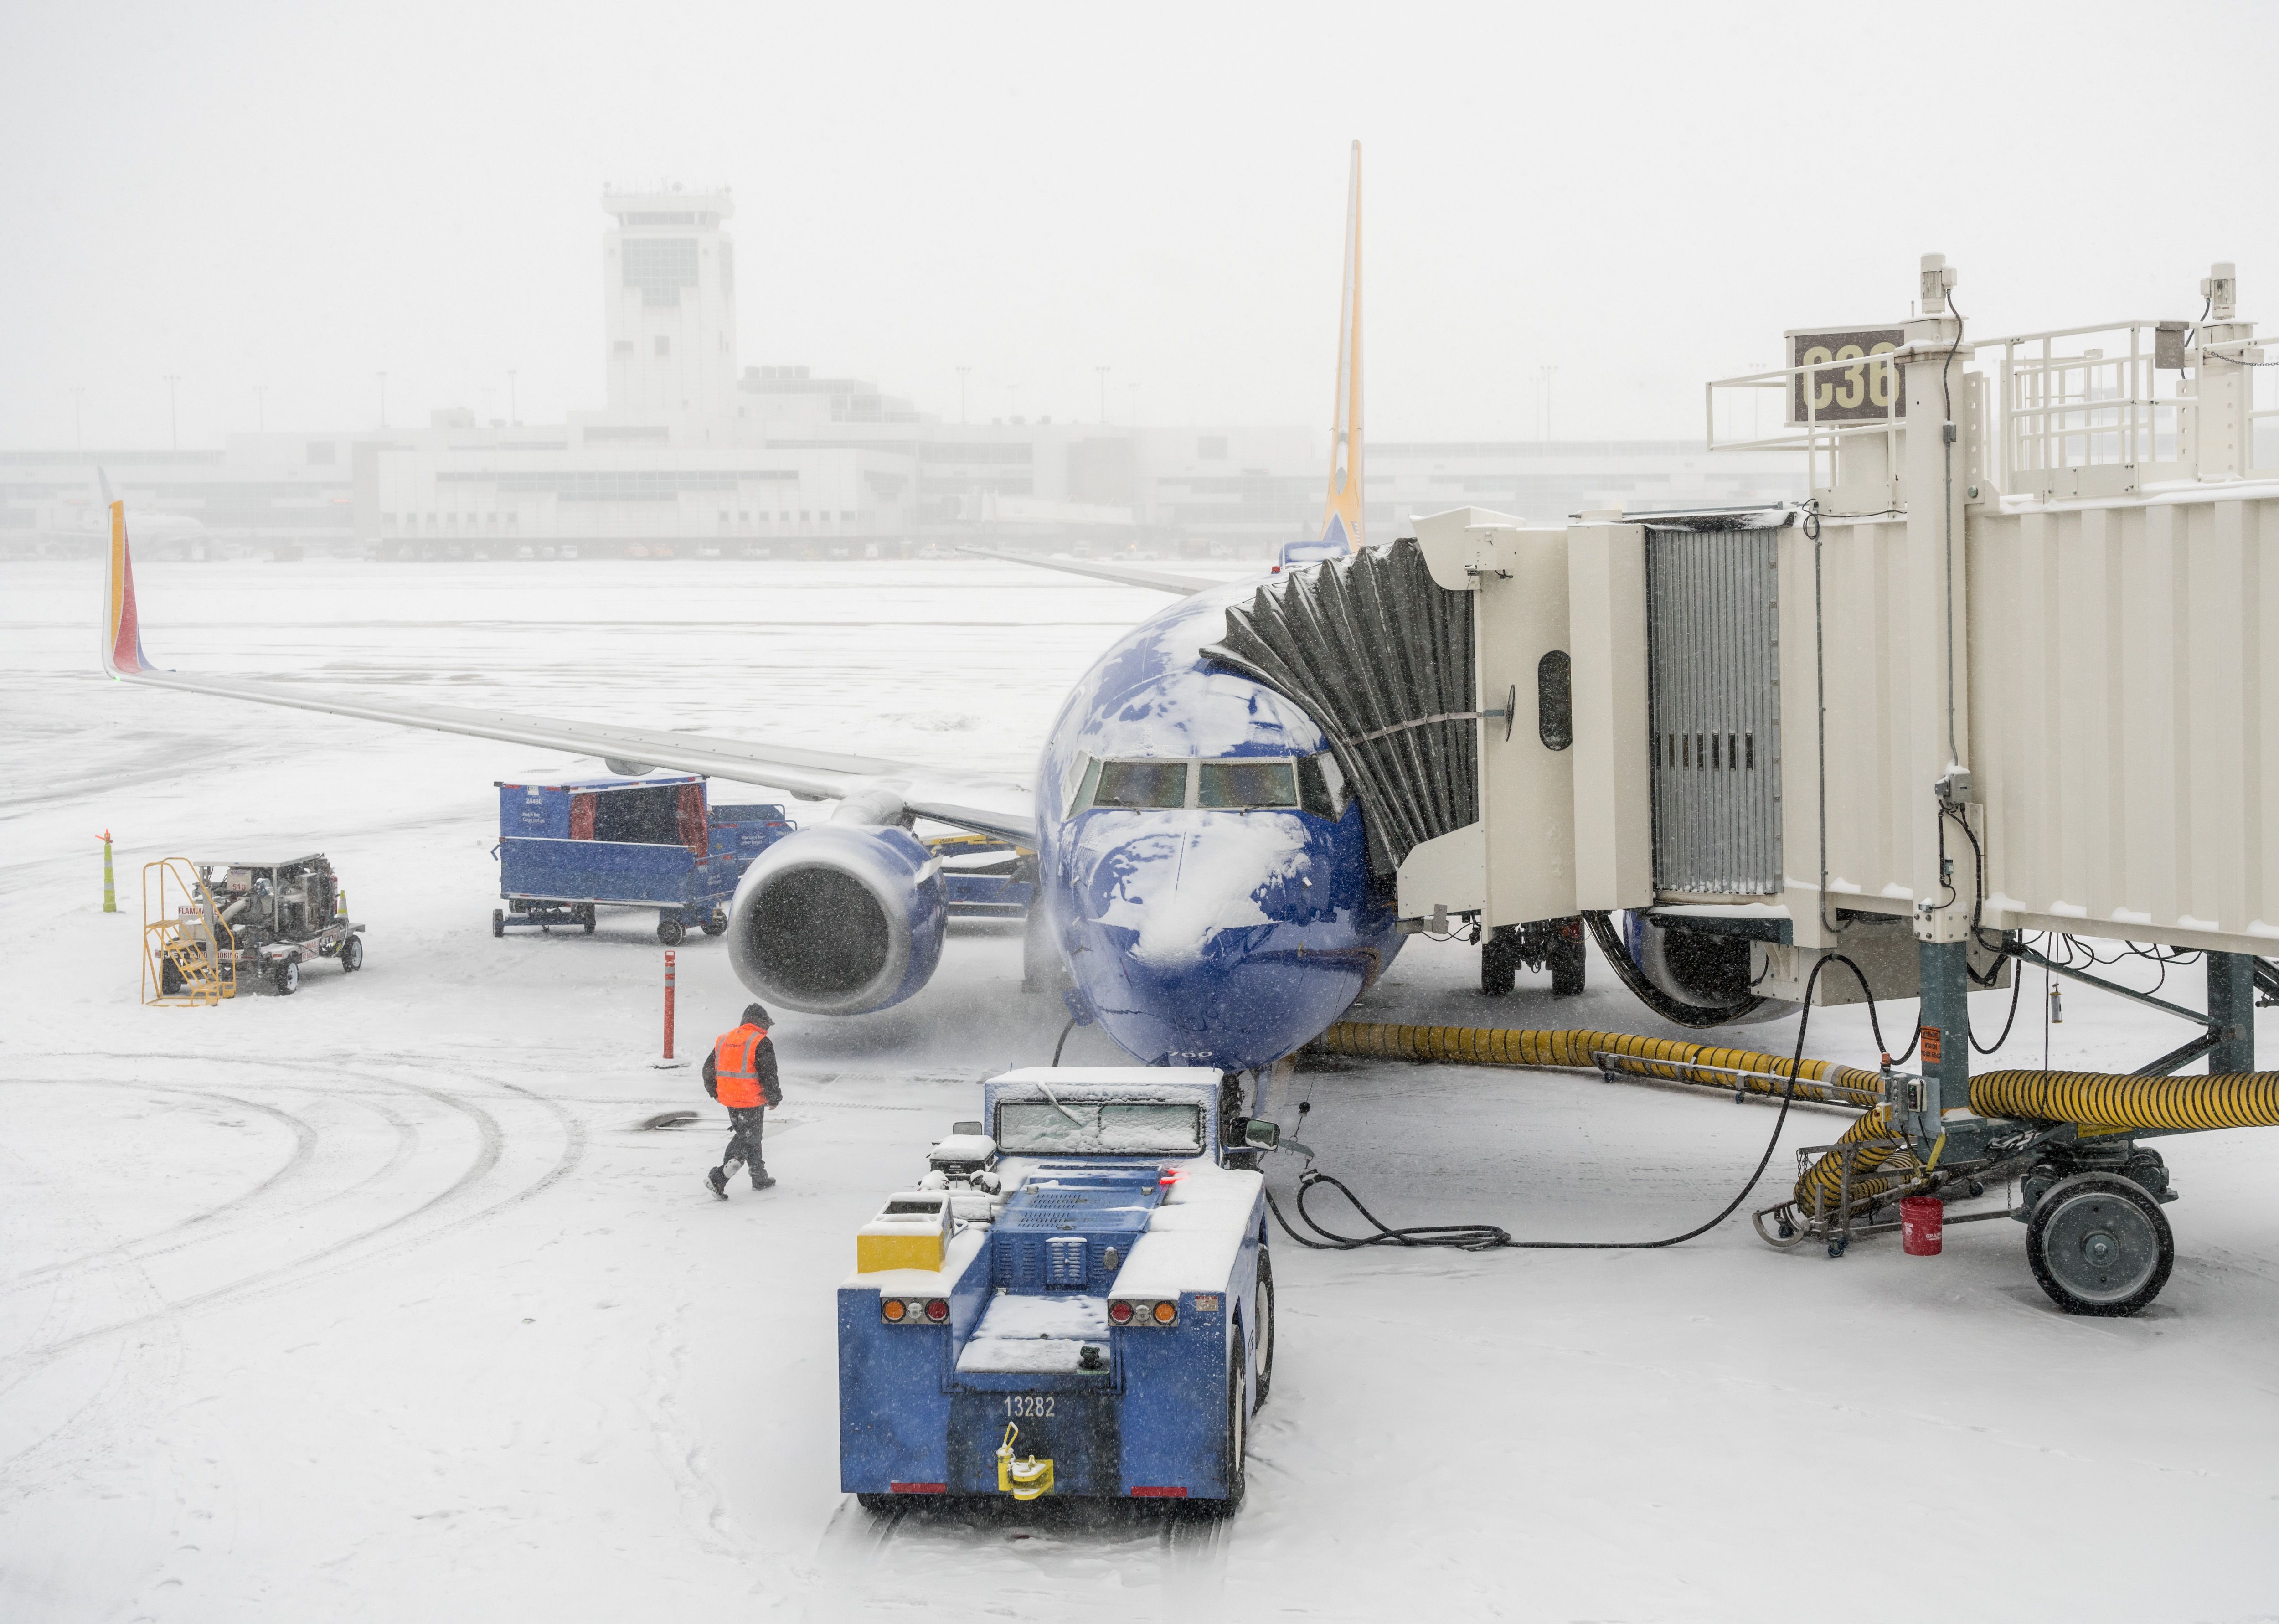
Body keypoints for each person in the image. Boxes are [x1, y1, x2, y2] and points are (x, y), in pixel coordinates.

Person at [704, 1002, 781, 1197]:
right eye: (767, 1025)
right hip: (752, 1099)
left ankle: (759, 1176)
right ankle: (720, 1177)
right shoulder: (760, 1041)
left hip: (729, 1099)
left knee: (749, 1136)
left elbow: (708, 1069)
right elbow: (769, 1074)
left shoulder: (725, 1039)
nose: (768, 1029)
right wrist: (774, 1098)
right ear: (761, 1023)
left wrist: (715, 1092)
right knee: (748, 1138)